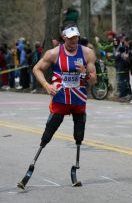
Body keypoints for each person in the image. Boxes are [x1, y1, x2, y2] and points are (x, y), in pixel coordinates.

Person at [17, 23, 97, 189]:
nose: (74, 40)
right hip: (60, 100)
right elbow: (37, 69)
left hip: (78, 101)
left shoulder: (87, 53)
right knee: (48, 133)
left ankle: (75, 168)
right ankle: (31, 166)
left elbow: (94, 80)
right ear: (63, 37)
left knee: (79, 135)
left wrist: (84, 72)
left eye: (76, 37)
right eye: (71, 38)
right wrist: (46, 85)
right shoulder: (53, 53)